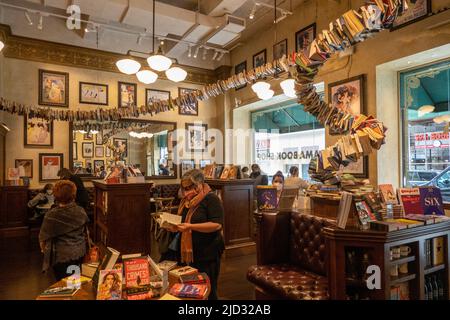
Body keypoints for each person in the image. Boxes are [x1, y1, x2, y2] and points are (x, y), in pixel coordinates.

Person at [164, 169, 224, 300]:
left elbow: (217, 225)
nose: (186, 192)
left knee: (208, 288)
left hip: (208, 252)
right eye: (184, 188)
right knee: (191, 289)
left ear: (200, 184)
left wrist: (191, 227)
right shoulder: (187, 201)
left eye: (190, 188)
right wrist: (174, 228)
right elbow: (184, 222)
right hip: (189, 253)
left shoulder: (211, 199)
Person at [39, 180, 89, 281]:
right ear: (74, 194)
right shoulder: (80, 211)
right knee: (75, 282)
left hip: (61, 256)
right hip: (80, 252)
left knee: (65, 285)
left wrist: (45, 251)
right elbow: (85, 231)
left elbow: (42, 239)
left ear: (56, 195)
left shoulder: (51, 215)